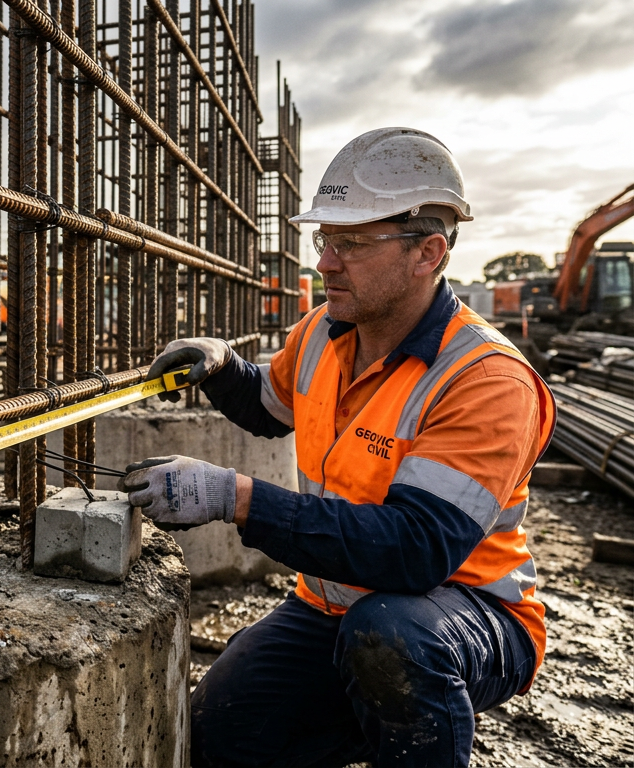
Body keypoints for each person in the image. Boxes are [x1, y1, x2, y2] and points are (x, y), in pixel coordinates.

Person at [124, 128, 552, 767]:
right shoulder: (326, 331)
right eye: (325, 240)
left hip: (466, 611)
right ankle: (352, 710)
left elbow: (415, 552)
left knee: (391, 642)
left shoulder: (485, 379)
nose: (324, 261)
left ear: (427, 253)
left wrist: (235, 497)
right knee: (226, 723)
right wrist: (219, 366)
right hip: (338, 600)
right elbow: (269, 409)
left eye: (350, 243)